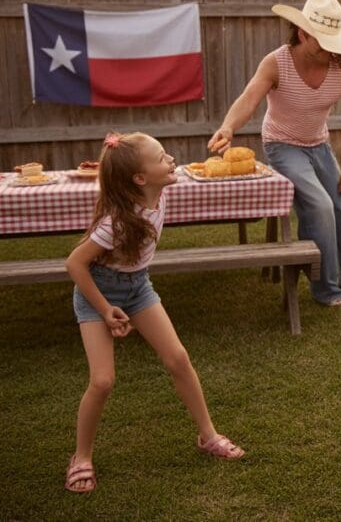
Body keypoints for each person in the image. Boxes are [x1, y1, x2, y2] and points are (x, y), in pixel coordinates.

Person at [64, 132, 244, 494]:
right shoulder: (115, 222)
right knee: (102, 381)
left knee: (178, 358)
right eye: (162, 157)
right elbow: (75, 264)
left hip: (137, 287)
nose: (171, 160)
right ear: (140, 179)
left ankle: (207, 435)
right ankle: (81, 457)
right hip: (98, 292)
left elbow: (187, 172)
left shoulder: (159, 193)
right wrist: (105, 308)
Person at [208, 0, 341, 307]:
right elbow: (249, 98)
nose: (330, 49)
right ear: (303, 33)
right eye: (322, 40)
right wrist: (228, 127)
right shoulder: (277, 62)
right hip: (282, 146)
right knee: (320, 206)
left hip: (319, 145)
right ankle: (326, 288)